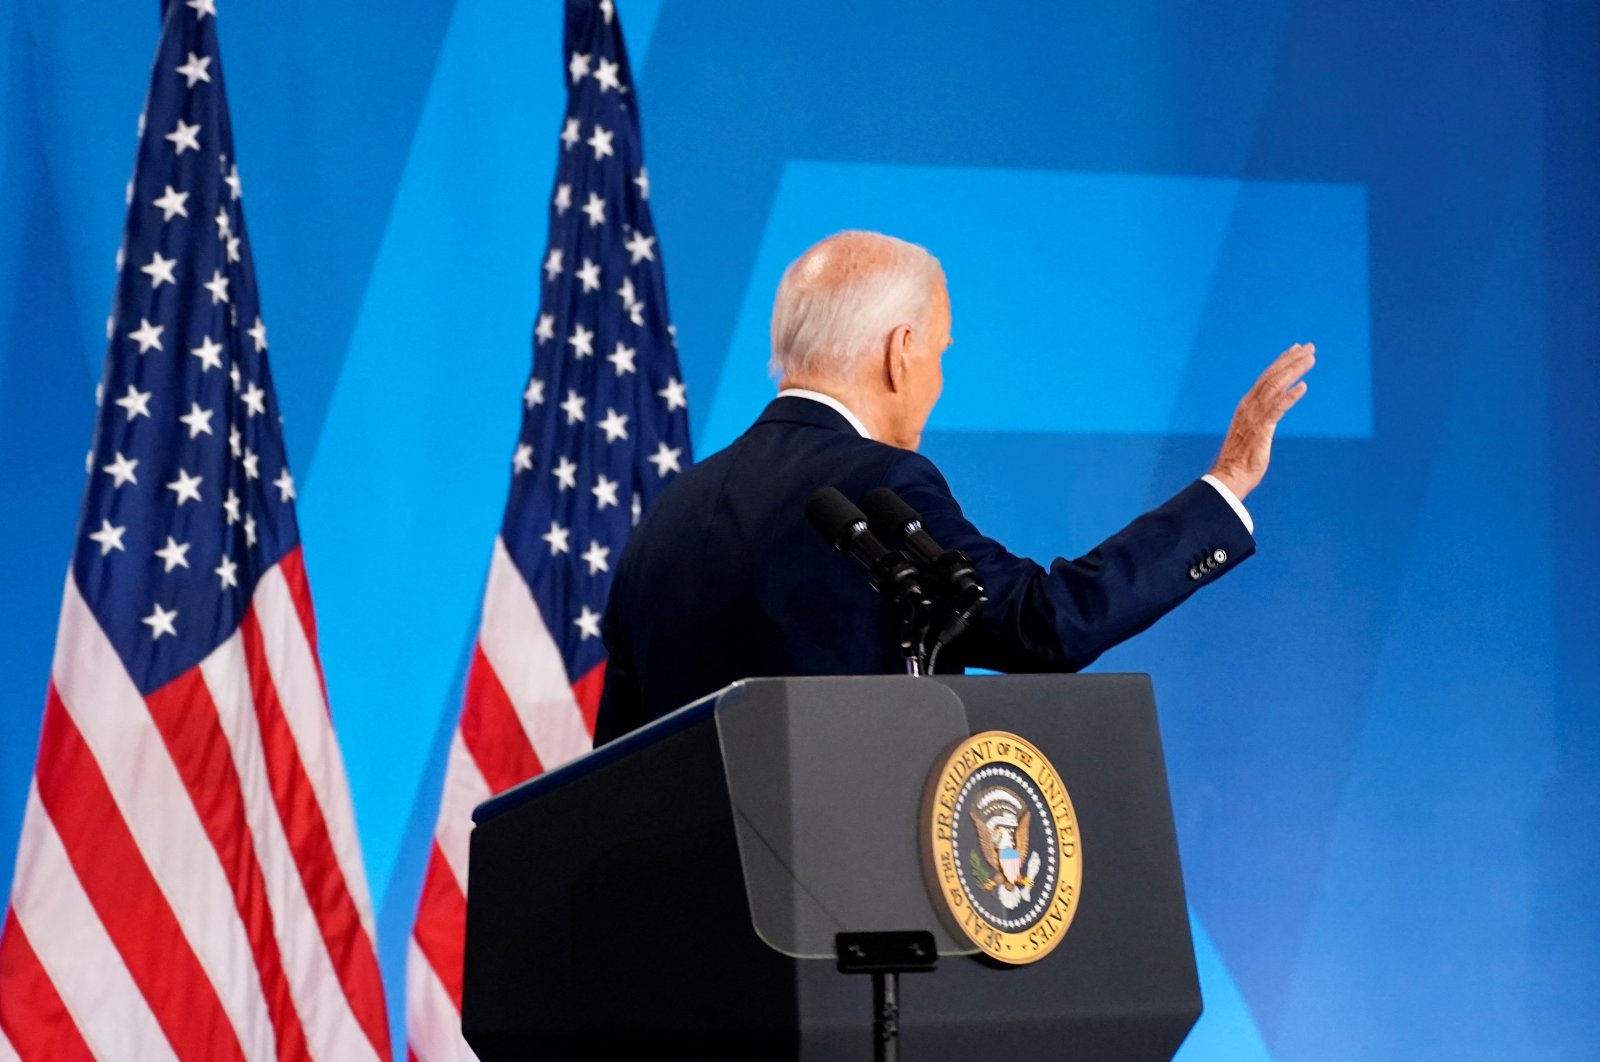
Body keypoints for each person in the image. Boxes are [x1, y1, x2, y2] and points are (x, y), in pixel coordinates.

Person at [593, 230, 1313, 743]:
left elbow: (618, 762)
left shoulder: (667, 516)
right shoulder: (876, 482)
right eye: (940, 350)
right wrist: (1227, 483)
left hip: (683, 931)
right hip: (848, 918)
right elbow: (1043, 623)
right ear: (900, 353)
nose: (938, 377)